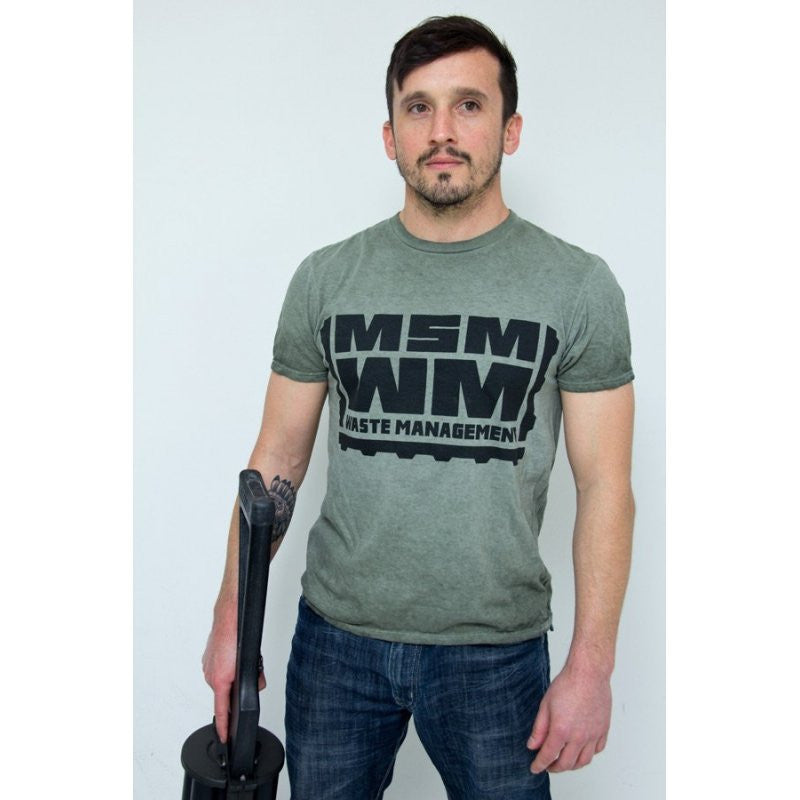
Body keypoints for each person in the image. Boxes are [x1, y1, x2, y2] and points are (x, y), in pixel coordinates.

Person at [202, 15, 635, 800]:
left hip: (496, 654)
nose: (442, 131)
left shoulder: (577, 287)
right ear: (389, 135)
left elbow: (605, 485)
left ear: (510, 129)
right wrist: (232, 619)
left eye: (469, 105)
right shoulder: (326, 279)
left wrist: (592, 666)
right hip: (337, 645)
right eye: (418, 107)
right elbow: (275, 461)